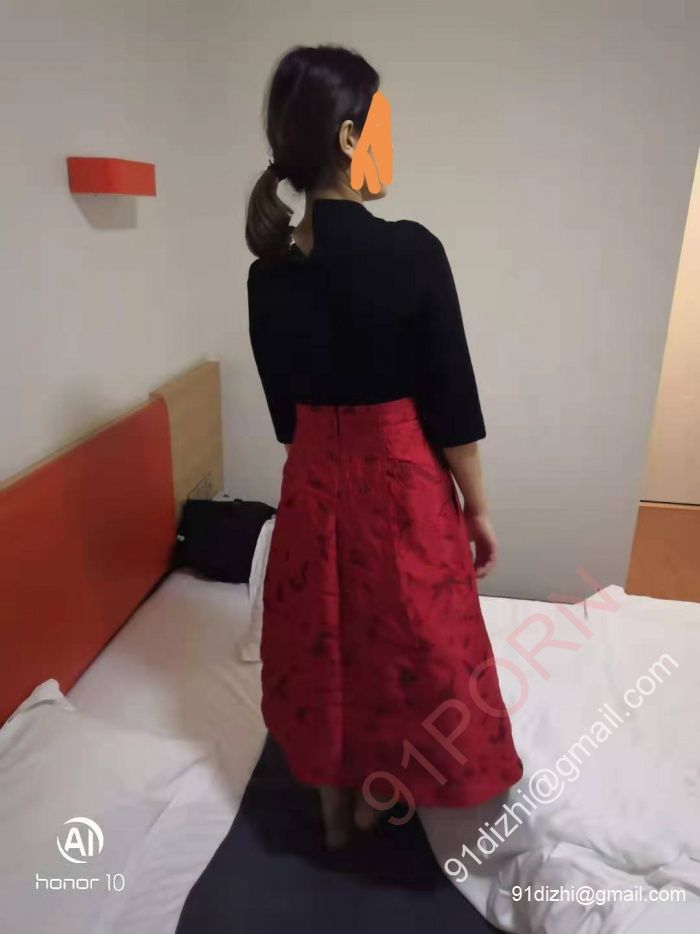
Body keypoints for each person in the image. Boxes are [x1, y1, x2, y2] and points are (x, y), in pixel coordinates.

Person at [245, 43, 523, 849]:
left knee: (325, 640)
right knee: (410, 641)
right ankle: (378, 795)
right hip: (400, 482)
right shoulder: (412, 250)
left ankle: (333, 807)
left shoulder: (267, 276)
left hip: (312, 486)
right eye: (382, 129)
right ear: (347, 138)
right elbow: (451, 403)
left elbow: (286, 420)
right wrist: (478, 508)